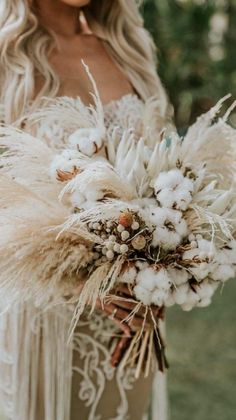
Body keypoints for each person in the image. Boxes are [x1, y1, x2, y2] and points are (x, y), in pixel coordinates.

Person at [0, 1, 172, 419]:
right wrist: (79, 280)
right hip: (48, 313)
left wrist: (170, 262)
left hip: (134, 317)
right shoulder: (8, 57)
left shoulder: (128, 47)